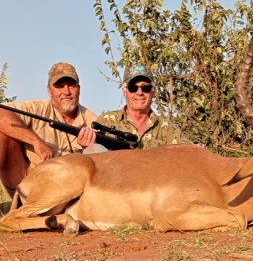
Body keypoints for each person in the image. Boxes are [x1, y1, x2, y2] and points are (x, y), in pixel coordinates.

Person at [0, 62, 97, 200]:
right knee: (3, 132)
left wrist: (89, 150)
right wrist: (36, 141)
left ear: (79, 89)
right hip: (27, 187)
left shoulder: (94, 121)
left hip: (70, 195)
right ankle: (18, 203)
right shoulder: (36, 108)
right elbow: (1, 113)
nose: (66, 92)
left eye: (71, 85)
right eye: (59, 86)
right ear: (49, 90)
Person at [95, 65, 188, 149]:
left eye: (145, 88)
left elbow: (190, 154)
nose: (139, 93)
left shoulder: (168, 130)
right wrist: (86, 144)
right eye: (133, 88)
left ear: (153, 91)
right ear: (124, 92)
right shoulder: (106, 122)